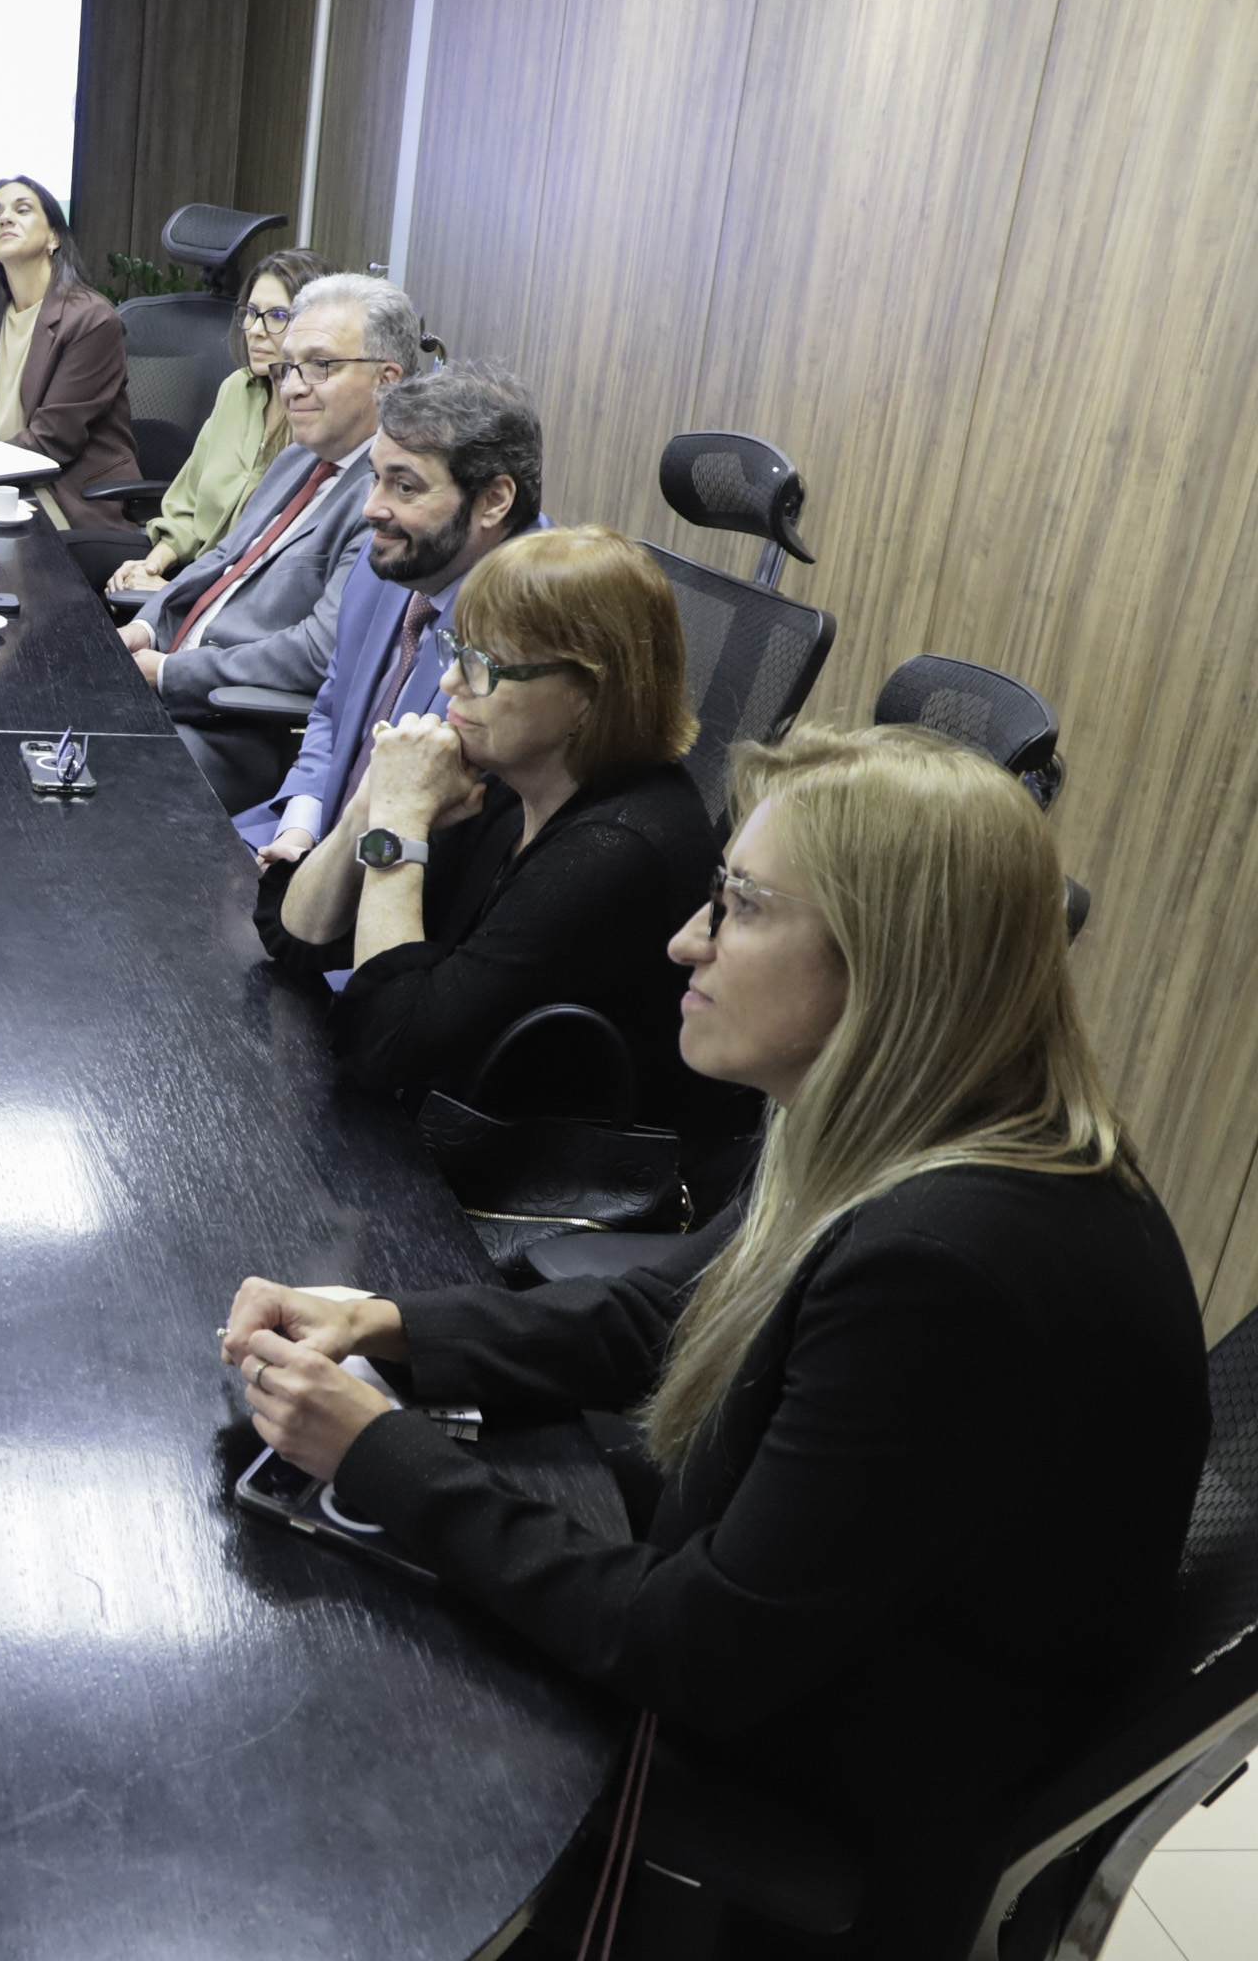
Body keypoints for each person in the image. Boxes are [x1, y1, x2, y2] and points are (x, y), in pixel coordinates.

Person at [220, 724, 1208, 1956]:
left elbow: (692, 1650)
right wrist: (395, 1324)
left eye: (736, 907)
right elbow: (672, 1310)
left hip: (809, 1781)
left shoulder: (950, 1265)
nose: (685, 942)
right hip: (803, 1646)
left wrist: (379, 1453)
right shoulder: (900, 1110)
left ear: (885, 961)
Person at [265, 526, 748, 1161]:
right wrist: (371, 803)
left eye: (485, 668)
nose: (449, 686)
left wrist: (403, 817)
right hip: (457, 1138)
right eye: (456, 651)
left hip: (554, 1205)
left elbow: (391, 1047)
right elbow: (296, 937)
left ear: (586, 695)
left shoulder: (616, 850)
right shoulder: (512, 782)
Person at [118, 272, 416, 811]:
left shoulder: (388, 501)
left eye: (321, 366)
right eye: (290, 367)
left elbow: (316, 652)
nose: (294, 387)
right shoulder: (299, 457)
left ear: (387, 380)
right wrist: (145, 625)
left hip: (236, 728)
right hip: (174, 684)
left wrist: (169, 674)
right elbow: (222, 560)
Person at [238, 362, 547, 867]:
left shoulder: (526, 623)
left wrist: (325, 871)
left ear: (493, 500)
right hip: (302, 844)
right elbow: (331, 710)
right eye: (374, 479)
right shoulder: (393, 557)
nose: (371, 509)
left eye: (404, 488)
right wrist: (300, 828)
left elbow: (454, 839)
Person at [97, 244, 332, 595]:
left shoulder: (317, 417)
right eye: (251, 313)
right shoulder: (237, 389)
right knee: (67, 558)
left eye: (278, 316)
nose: (255, 329)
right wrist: (150, 566)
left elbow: (269, 572)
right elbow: (188, 505)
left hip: (239, 593)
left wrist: (167, 593)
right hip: (193, 567)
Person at [0, 175, 141, 533]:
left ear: (54, 238)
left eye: (21, 210)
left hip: (64, 499)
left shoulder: (90, 320)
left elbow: (51, 440)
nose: (4, 219)